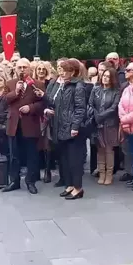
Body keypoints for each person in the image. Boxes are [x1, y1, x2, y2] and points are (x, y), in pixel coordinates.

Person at [45, 59, 86, 200]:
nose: (61, 73)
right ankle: (69, 185)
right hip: (60, 127)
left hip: (71, 129)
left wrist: (75, 126)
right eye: (60, 70)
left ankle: (78, 188)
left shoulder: (78, 86)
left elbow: (80, 109)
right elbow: (56, 104)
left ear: (72, 72)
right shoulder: (63, 85)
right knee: (64, 160)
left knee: (74, 160)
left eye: (64, 70)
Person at [4, 58, 45, 194]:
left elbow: (43, 103)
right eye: (19, 67)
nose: (22, 70)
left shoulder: (38, 84)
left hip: (30, 124)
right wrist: (15, 92)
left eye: (24, 67)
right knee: (14, 155)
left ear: (29, 69)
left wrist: (31, 107)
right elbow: (5, 100)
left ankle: (30, 181)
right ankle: (14, 181)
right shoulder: (10, 83)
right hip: (14, 125)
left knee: (31, 155)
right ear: (16, 69)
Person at [90, 68, 121, 185]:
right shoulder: (96, 89)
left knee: (109, 150)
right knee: (100, 150)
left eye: (108, 76)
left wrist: (101, 115)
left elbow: (114, 107)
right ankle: (101, 173)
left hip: (110, 124)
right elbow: (90, 104)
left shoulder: (116, 91)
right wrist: (96, 115)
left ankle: (109, 174)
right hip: (97, 124)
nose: (105, 78)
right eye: (103, 75)